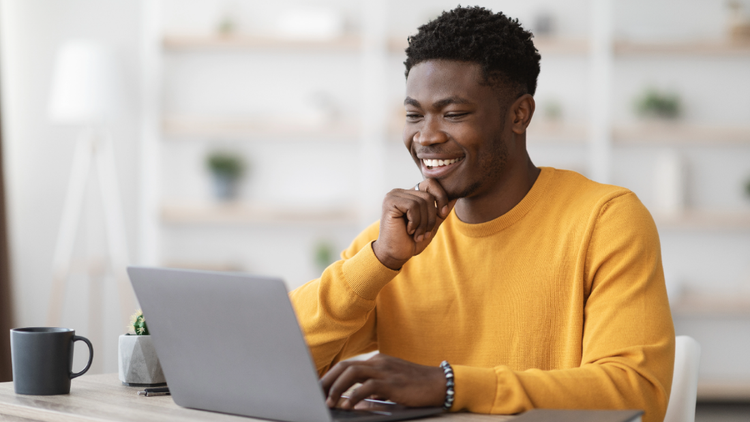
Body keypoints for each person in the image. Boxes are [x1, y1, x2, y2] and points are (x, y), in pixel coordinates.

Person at [289, 6, 675, 422]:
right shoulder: (395, 243)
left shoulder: (605, 219)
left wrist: (448, 385)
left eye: (453, 114)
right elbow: (281, 362)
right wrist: (379, 261)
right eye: (414, 115)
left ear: (519, 115)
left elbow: (635, 393)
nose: (426, 136)